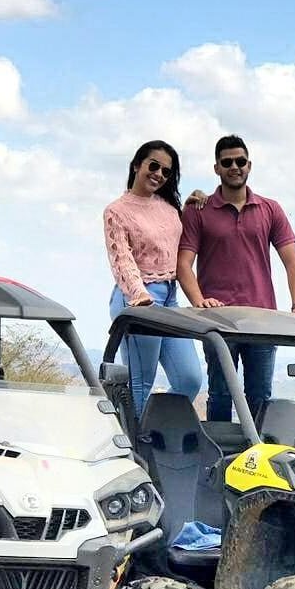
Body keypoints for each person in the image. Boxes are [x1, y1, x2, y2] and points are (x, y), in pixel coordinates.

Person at [177, 134, 295, 422]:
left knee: (259, 396)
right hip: (219, 322)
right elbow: (183, 264)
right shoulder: (198, 210)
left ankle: (256, 460)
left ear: (249, 165)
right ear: (216, 167)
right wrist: (199, 301)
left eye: (240, 161)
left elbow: (292, 261)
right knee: (220, 394)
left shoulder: (270, 209)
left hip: (262, 320)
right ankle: (218, 462)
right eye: (227, 162)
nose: (234, 167)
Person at [104, 140, 203, 419]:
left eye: (166, 171)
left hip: (170, 297)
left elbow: (172, 243)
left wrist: (192, 206)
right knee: (140, 383)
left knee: (189, 379)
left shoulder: (169, 207)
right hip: (139, 298)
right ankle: (133, 448)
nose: (159, 174)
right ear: (137, 165)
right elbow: (121, 259)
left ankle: (154, 425)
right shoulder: (117, 211)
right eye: (154, 165)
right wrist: (138, 296)